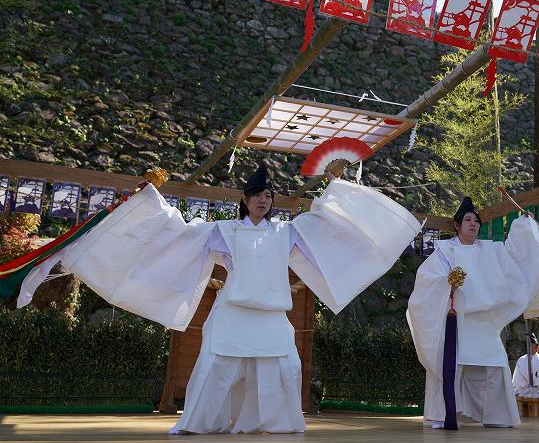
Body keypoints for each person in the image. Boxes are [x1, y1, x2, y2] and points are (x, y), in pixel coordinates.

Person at [18, 163, 421, 434]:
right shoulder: (224, 231)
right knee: (215, 367)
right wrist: (151, 203)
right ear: (245, 199)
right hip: (232, 310)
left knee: (283, 367)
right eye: (257, 195)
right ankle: (198, 423)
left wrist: (337, 187)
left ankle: (282, 426)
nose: (264, 200)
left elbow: (329, 225)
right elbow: (175, 233)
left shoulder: (287, 233)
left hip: (270, 315)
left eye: (269, 196)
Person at [406, 196, 539, 429]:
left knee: (495, 365)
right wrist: (447, 284)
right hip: (456, 321)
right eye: (468, 220)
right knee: (453, 368)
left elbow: (516, 255)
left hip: (484, 323)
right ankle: (446, 415)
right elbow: (426, 281)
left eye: (476, 221)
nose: (473, 224)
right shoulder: (444, 250)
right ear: (457, 224)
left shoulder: (491, 250)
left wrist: (526, 227)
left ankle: (497, 416)